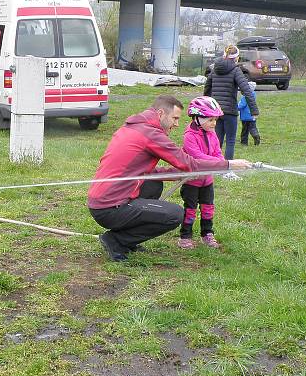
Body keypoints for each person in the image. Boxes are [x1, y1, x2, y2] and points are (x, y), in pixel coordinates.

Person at [88, 94, 252, 262]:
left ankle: (128, 239)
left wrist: (175, 174)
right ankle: (116, 241)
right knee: (175, 214)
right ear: (160, 114)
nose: (176, 123)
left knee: (154, 185)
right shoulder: (150, 134)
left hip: (101, 202)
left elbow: (143, 172)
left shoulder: (133, 127)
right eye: (174, 118)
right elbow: (190, 163)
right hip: (110, 208)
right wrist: (228, 164)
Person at [204, 44, 259, 180]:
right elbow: (247, 90)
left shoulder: (214, 69)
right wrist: (254, 110)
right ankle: (227, 171)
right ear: (237, 57)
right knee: (230, 141)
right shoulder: (236, 70)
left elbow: (207, 88)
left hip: (215, 112)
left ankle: (213, 168)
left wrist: (206, 106)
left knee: (216, 141)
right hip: (230, 111)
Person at [179, 96, 225, 250]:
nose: (214, 123)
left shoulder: (212, 134)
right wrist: (218, 163)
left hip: (207, 181)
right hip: (191, 182)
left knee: (208, 208)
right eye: (210, 120)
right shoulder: (189, 137)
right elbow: (198, 157)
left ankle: (207, 233)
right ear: (197, 118)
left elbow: (218, 153)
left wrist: (221, 162)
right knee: (190, 210)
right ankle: (185, 236)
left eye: (215, 120)